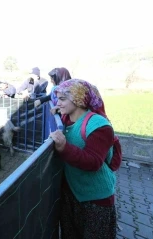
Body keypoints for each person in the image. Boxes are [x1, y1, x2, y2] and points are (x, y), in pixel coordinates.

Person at [49, 79, 116, 239]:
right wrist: (58, 112)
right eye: (58, 99)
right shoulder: (68, 119)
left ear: (78, 100)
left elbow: (93, 162)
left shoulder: (100, 125)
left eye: (62, 99)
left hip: (96, 200)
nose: (58, 103)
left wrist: (64, 147)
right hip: (72, 194)